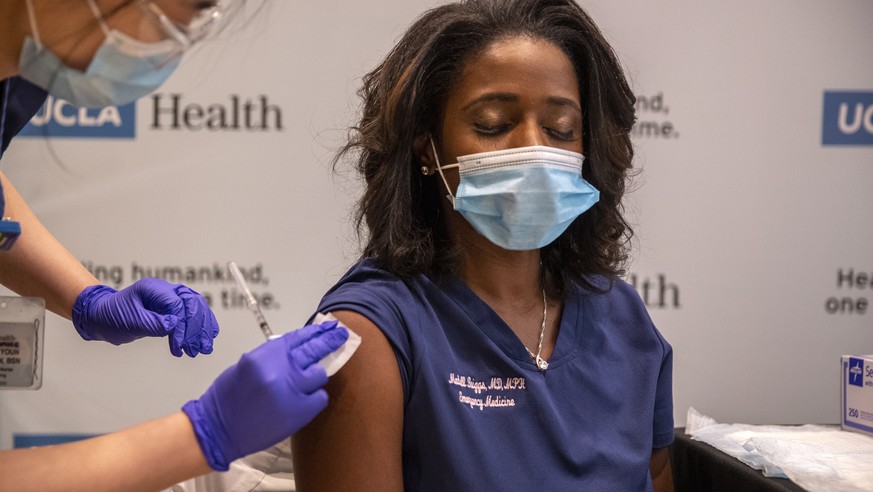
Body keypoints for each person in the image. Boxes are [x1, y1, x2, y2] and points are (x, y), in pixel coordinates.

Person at [292, 0, 675, 490]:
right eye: (493, 124)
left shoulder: (622, 316)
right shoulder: (369, 335)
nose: (533, 149)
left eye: (562, 129)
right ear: (426, 144)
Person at [0, 0, 351, 489]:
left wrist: (87, 298)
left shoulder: (19, 75)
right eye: (195, 6)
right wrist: (203, 436)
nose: (187, 33)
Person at [0, 0, 220, 356]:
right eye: (164, 27)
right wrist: (209, 415)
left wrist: (88, 300)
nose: (158, 55)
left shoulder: (24, 77)